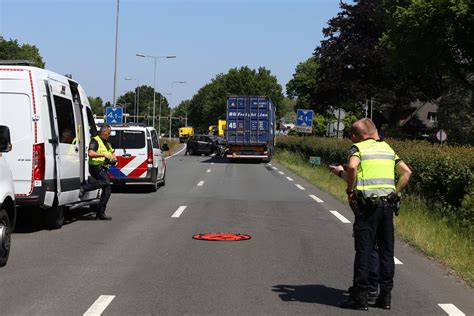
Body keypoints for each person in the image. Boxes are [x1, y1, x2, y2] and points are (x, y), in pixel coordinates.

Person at [329, 118, 412, 310]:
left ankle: (360, 297)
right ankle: (385, 297)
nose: (352, 138)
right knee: (386, 252)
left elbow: (352, 167)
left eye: (353, 135)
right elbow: (407, 172)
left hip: (367, 207)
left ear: (360, 135)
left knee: (364, 251)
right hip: (387, 206)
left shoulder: (358, 149)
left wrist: (349, 191)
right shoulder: (388, 149)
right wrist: (396, 194)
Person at [80, 124, 116, 220]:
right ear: (103, 132)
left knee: (107, 190)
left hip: (103, 167)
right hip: (95, 167)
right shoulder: (95, 140)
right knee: (106, 181)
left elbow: (111, 154)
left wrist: (113, 159)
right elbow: (91, 153)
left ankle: (100, 213)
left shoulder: (107, 143)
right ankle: (84, 188)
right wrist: (103, 154)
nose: (109, 134)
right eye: (108, 133)